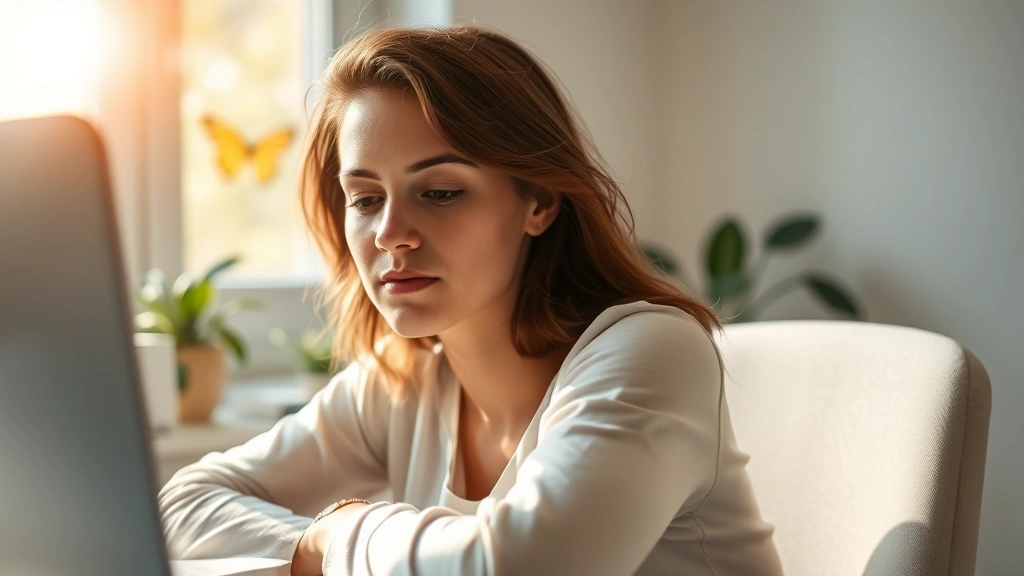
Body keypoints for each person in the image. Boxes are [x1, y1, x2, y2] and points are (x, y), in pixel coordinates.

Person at [158, 25, 784, 576]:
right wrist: (310, 545)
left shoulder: (653, 351)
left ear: (538, 202)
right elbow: (182, 505)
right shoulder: (404, 385)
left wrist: (340, 534)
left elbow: (523, 567)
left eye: (441, 192)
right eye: (366, 198)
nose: (390, 233)